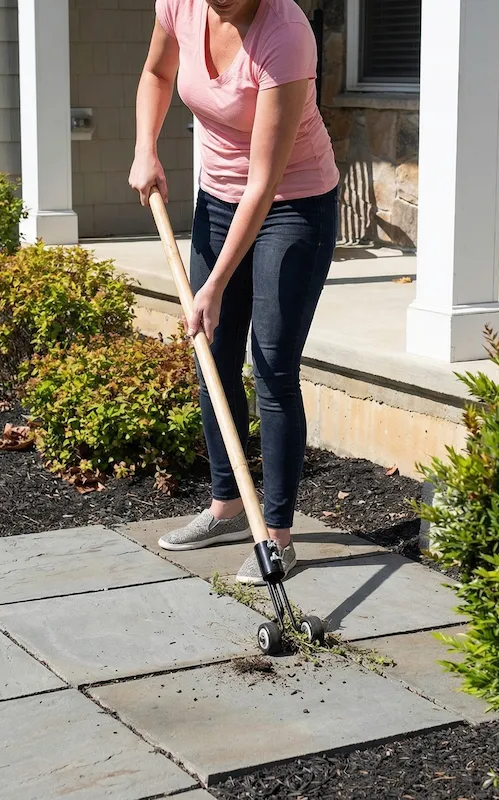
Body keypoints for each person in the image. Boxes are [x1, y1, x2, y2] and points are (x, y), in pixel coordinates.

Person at [129, 0, 339, 585]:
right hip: (218, 200)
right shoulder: (180, 5)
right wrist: (146, 146)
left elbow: (265, 182)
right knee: (212, 358)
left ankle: (276, 536)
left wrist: (214, 284)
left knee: (270, 365)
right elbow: (157, 73)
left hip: (292, 203)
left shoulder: (286, 35)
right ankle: (225, 507)